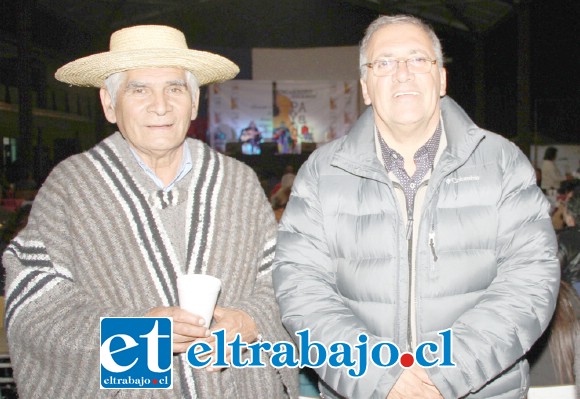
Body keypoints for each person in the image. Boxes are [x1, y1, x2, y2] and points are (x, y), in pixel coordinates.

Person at [272, 14, 560, 399]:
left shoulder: (500, 160)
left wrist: (443, 375)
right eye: (385, 62)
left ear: (441, 79)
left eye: (418, 59)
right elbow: (299, 287)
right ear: (366, 87)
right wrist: (381, 378)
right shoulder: (323, 173)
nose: (403, 73)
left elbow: (532, 280)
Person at [2, 25, 298, 398]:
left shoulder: (237, 182)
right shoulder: (71, 188)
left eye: (175, 88)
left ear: (193, 102)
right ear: (109, 105)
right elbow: (33, 305)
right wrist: (132, 332)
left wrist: (253, 320)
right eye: (138, 89)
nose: (160, 105)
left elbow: (286, 280)